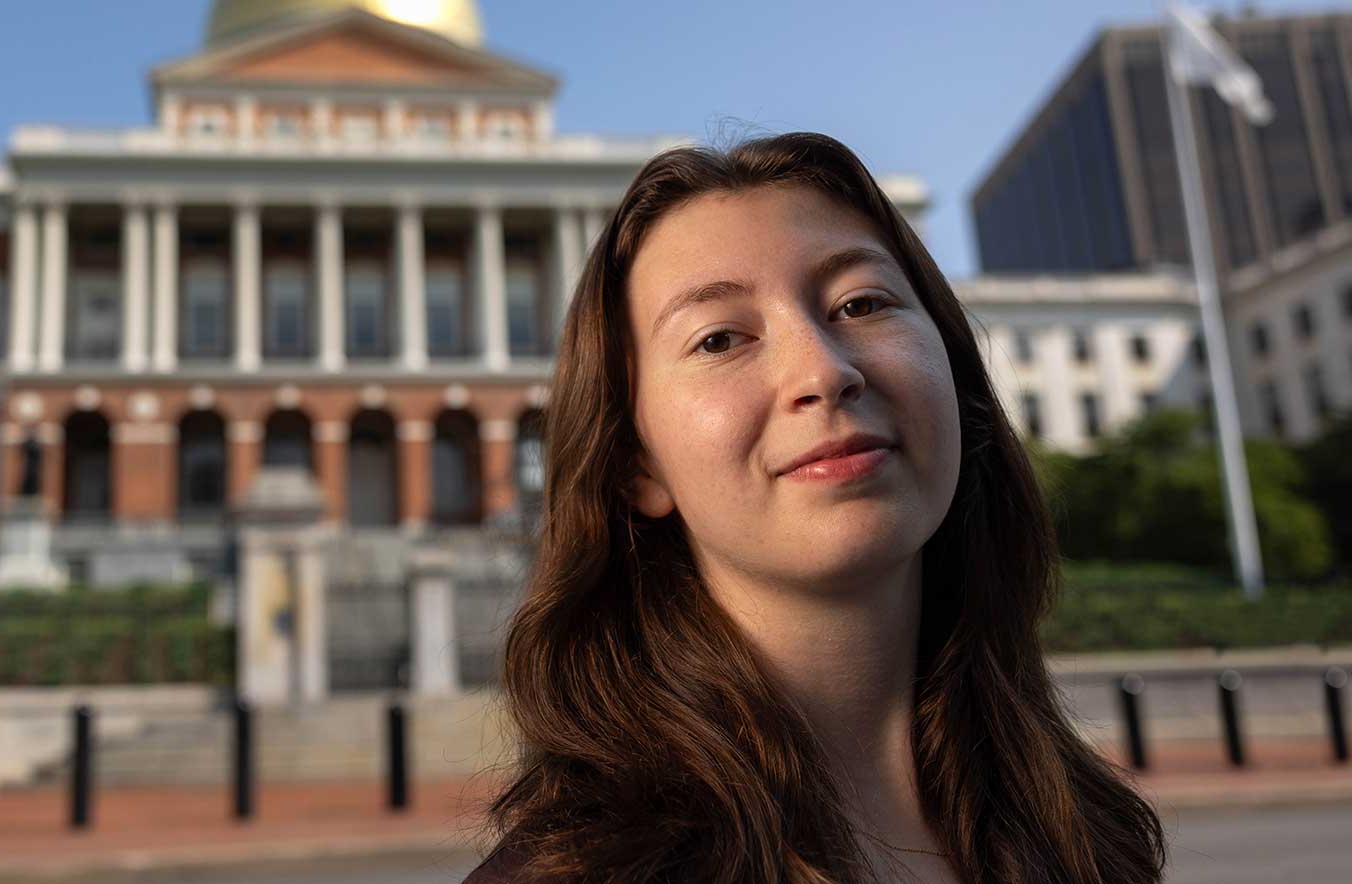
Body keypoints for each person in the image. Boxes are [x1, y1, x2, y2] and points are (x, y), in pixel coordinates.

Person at [465, 133, 1163, 884]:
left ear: (956, 377)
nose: (823, 371)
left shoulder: (1083, 835)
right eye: (720, 338)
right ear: (637, 464)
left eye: (860, 303)